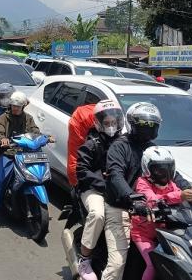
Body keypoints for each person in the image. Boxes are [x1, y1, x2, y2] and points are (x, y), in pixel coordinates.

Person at [102, 102, 192, 280]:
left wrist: (189, 189)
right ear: (132, 123)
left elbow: (172, 174)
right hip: (122, 207)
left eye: (152, 125)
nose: (148, 128)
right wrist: (133, 199)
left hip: (151, 208)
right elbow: (115, 175)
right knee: (117, 264)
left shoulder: (152, 148)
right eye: (144, 124)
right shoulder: (119, 146)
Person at [131, 147, 192, 280]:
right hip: (144, 234)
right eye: (159, 169)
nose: (164, 173)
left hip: (166, 232)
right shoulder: (142, 183)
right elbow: (152, 200)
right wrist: (181, 195)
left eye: (168, 168)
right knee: (152, 265)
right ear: (147, 168)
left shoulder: (171, 184)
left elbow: (181, 195)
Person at [75, 100, 125, 280]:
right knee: (98, 214)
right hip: (93, 189)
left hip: (117, 191)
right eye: (107, 123)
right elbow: (81, 171)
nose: (111, 126)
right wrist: (103, 183)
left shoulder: (124, 143)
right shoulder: (92, 143)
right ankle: (85, 259)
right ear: (98, 123)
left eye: (114, 122)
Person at [0, 91, 42, 229]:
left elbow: (35, 130)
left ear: (23, 106)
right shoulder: (3, 118)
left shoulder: (28, 118)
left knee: (38, 176)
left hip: (26, 154)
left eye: (18, 106)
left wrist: (43, 137)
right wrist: (2, 139)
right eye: (13, 106)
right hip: (9, 153)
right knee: (0, 182)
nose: (15, 108)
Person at [67, 103, 97, 186]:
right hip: (89, 181)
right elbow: (75, 159)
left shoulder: (119, 137)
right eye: (106, 123)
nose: (111, 128)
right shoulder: (82, 117)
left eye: (112, 123)